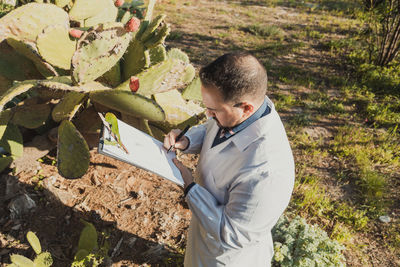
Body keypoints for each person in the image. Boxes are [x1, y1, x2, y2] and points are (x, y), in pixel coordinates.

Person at [163, 52, 295, 267]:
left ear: (246, 108)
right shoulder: (241, 113)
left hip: (226, 259)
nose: (208, 115)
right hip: (203, 241)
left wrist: (190, 187)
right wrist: (187, 140)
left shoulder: (266, 171)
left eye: (213, 110)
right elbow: (212, 129)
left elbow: (233, 235)